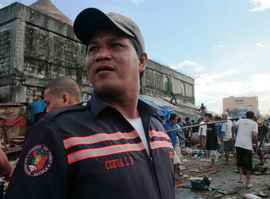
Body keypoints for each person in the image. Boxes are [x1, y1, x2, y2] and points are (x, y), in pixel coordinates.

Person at [6, 8, 175, 199]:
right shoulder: (57, 132)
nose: (101, 55)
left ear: (142, 61)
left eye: (116, 45)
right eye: (93, 48)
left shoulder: (158, 126)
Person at [235, 111, 258, 189]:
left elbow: (234, 126)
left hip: (238, 144)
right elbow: (254, 135)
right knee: (248, 165)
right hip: (247, 146)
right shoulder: (254, 123)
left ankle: (241, 179)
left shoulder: (240, 120)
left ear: (246, 115)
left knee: (240, 162)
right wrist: (256, 144)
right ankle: (248, 183)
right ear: (253, 116)